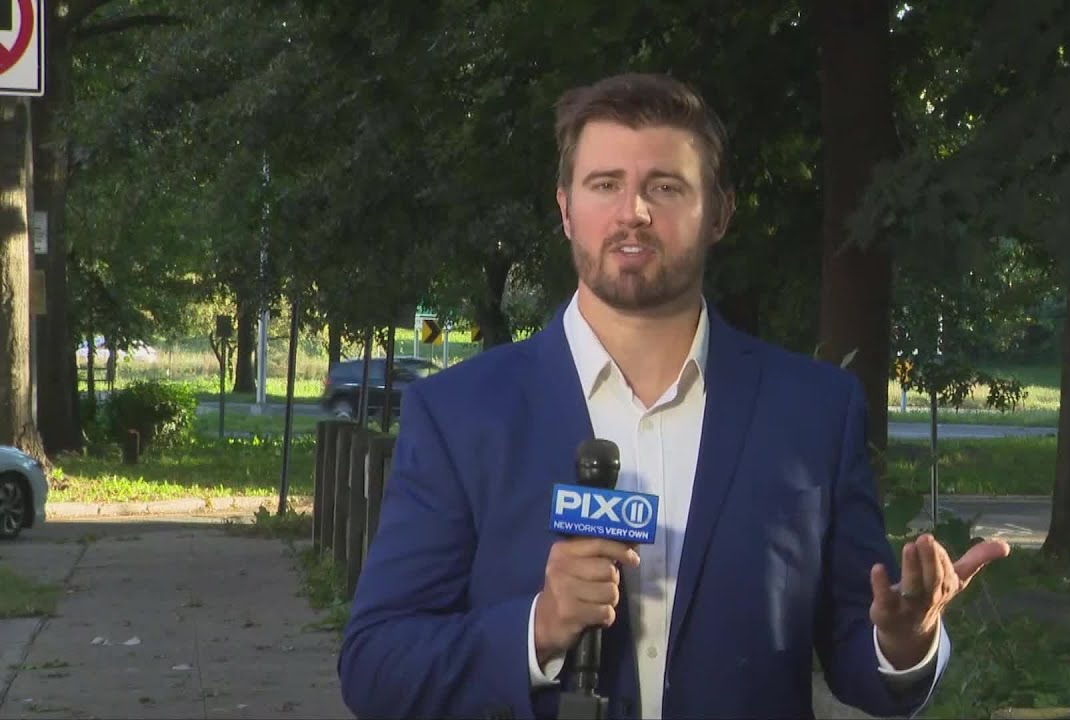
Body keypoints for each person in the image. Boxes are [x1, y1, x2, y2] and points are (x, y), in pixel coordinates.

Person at [337, 72, 1010, 720]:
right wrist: (537, 629)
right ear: (566, 209)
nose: (634, 212)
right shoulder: (460, 413)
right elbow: (376, 667)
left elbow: (858, 654)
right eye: (605, 185)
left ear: (718, 212)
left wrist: (904, 641)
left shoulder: (813, 412)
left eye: (665, 186)